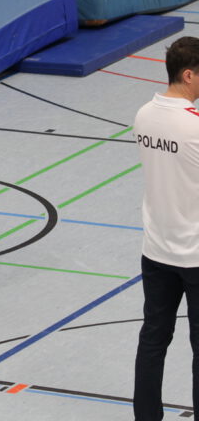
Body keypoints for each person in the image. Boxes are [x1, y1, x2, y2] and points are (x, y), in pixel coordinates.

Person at [133, 36, 199, 420]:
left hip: (156, 249)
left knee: (153, 339)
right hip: (194, 254)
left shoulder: (144, 115)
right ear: (188, 75)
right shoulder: (193, 126)